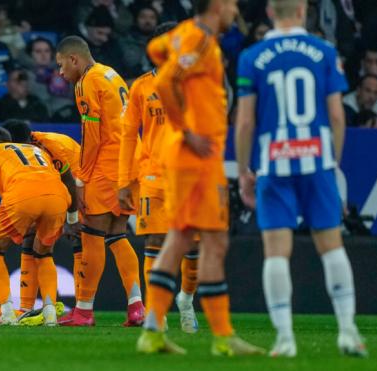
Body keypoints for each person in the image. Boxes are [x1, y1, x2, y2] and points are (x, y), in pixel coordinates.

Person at [236, 0, 367, 358]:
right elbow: (337, 117)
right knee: (331, 247)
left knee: (276, 251)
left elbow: (245, 122)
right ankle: (347, 331)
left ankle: (285, 339)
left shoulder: (253, 57)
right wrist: (332, 163)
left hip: (275, 164)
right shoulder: (324, 51)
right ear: (304, 10)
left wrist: (246, 169)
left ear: (269, 13)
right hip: (317, 161)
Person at [138, 0, 264, 356]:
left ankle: (154, 330)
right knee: (210, 241)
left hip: (189, 156)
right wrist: (185, 128)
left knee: (182, 237)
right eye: (233, 4)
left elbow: (154, 49)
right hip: (197, 155)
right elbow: (164, 81)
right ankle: (222, 337)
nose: (236, 10)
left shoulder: (185, 36)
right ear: (219, 5)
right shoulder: (202, 40)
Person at [54, 36, 144, 327]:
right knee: (118, 236)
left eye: (60, 65)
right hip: (130, 163)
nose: (60, 73)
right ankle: (136, 307)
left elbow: (90, 137)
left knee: (91, 235)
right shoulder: (111, 73)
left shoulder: (86, 82)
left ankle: (83, 310)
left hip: (106, 166)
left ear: (74, 60)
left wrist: (81, 178)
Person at [118, 22, 200, 335]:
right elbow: (128, 135)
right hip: (152, 174)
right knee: (154, 241)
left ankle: (187, 299)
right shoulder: (140, 87)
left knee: (192, 246)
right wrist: (124, 181)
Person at [0, 127, 71, 325]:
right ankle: (50, 312)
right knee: (44, 254)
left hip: (22, 196)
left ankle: (8, 312)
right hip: (58, 197)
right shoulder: (35, 150)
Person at [0, 119, 81, 312]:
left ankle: (81, 308)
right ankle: (26, 310)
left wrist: (72, 219)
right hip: (50, 186)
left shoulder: (51, 147)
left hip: (80, 179)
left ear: (29, 141)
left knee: (76, 239)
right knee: (29, 240)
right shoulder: (11, 155)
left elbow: (69, 182)